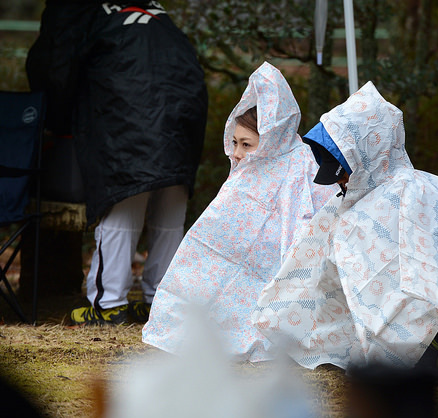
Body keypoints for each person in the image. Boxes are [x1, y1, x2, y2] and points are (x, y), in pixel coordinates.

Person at [253, 81, 438, 381]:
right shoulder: (355, 201)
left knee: (426, 296)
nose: (339, 182)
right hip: (396, 330)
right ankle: (419, 354)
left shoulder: (413, 193)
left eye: (342, 172)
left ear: (363, 155)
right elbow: (315, 264)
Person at [26, 0, 208, 325]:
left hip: (127, 120)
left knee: (123, 208)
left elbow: (57, 66)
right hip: (183, 120)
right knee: (169, 217)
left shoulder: (81, 10)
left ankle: (108, 305)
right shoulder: (156, 12)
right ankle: (161, 304)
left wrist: (57, 118)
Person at [142, 62, 336, 361]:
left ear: (270, 140)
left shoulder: (300, 165)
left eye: (247, 144)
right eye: (234, 142)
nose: (235, 152)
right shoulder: (246, 172)